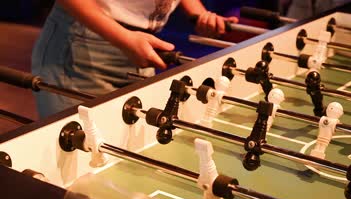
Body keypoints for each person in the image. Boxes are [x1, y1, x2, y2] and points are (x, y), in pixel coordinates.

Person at [31, 0, 238, 118]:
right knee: (81, 168)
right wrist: (124, 38)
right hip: (83, 49)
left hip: (141, 46)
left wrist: (199, 13)